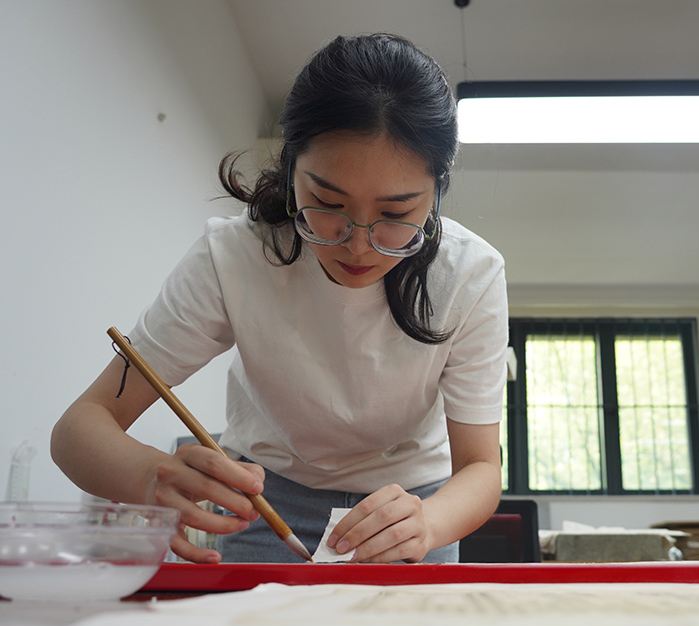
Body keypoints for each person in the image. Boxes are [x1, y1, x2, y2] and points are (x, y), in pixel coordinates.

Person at [50, 33, 507, 565]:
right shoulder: (235, 257)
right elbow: (78, 427)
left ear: (437, 194)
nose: (358, 243)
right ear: (291, 170)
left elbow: (480, 468)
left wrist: (427, 525)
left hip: (412, 508)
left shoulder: (470, 273)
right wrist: (147, 475)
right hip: (268, 503)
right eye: (327, 202)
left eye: (396, 213)